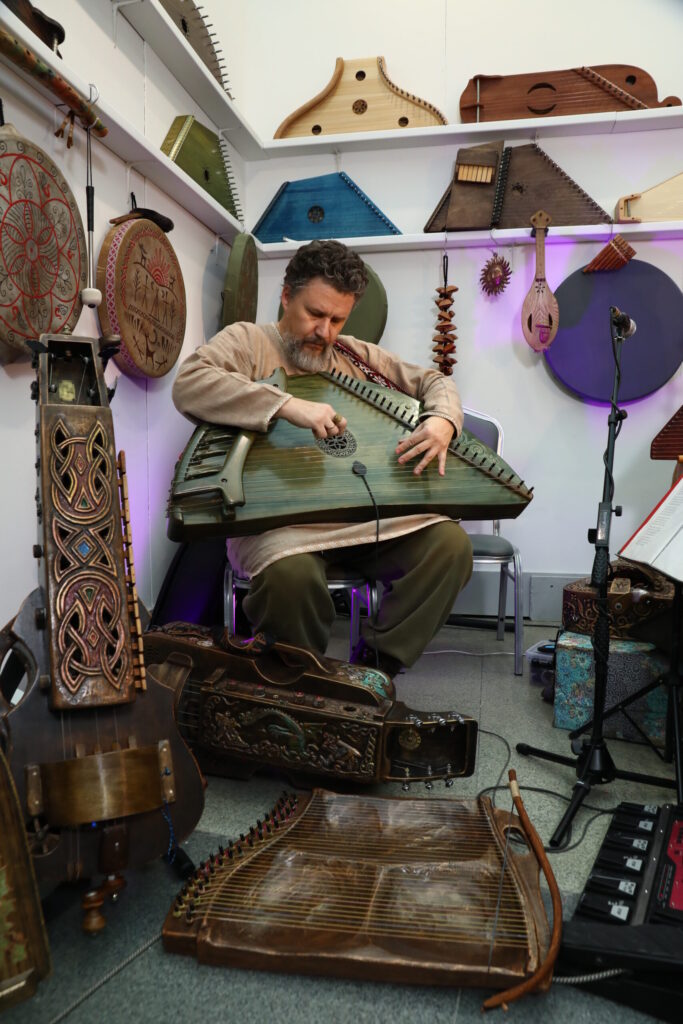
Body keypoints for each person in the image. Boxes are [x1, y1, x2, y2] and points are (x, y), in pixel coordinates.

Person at [172, 240, 473, 677]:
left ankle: (373, 670)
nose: (326, 332)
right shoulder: (249, 342)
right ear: (286, 296)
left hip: (360, 522)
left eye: (337, 320)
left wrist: (443, 420)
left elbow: (434, 381)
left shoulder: (354, 355)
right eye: (315, 314)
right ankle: (304, 681)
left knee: (450, 546)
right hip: (278, 528)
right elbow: (190, 383)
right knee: (290, 579)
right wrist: (284, 405)